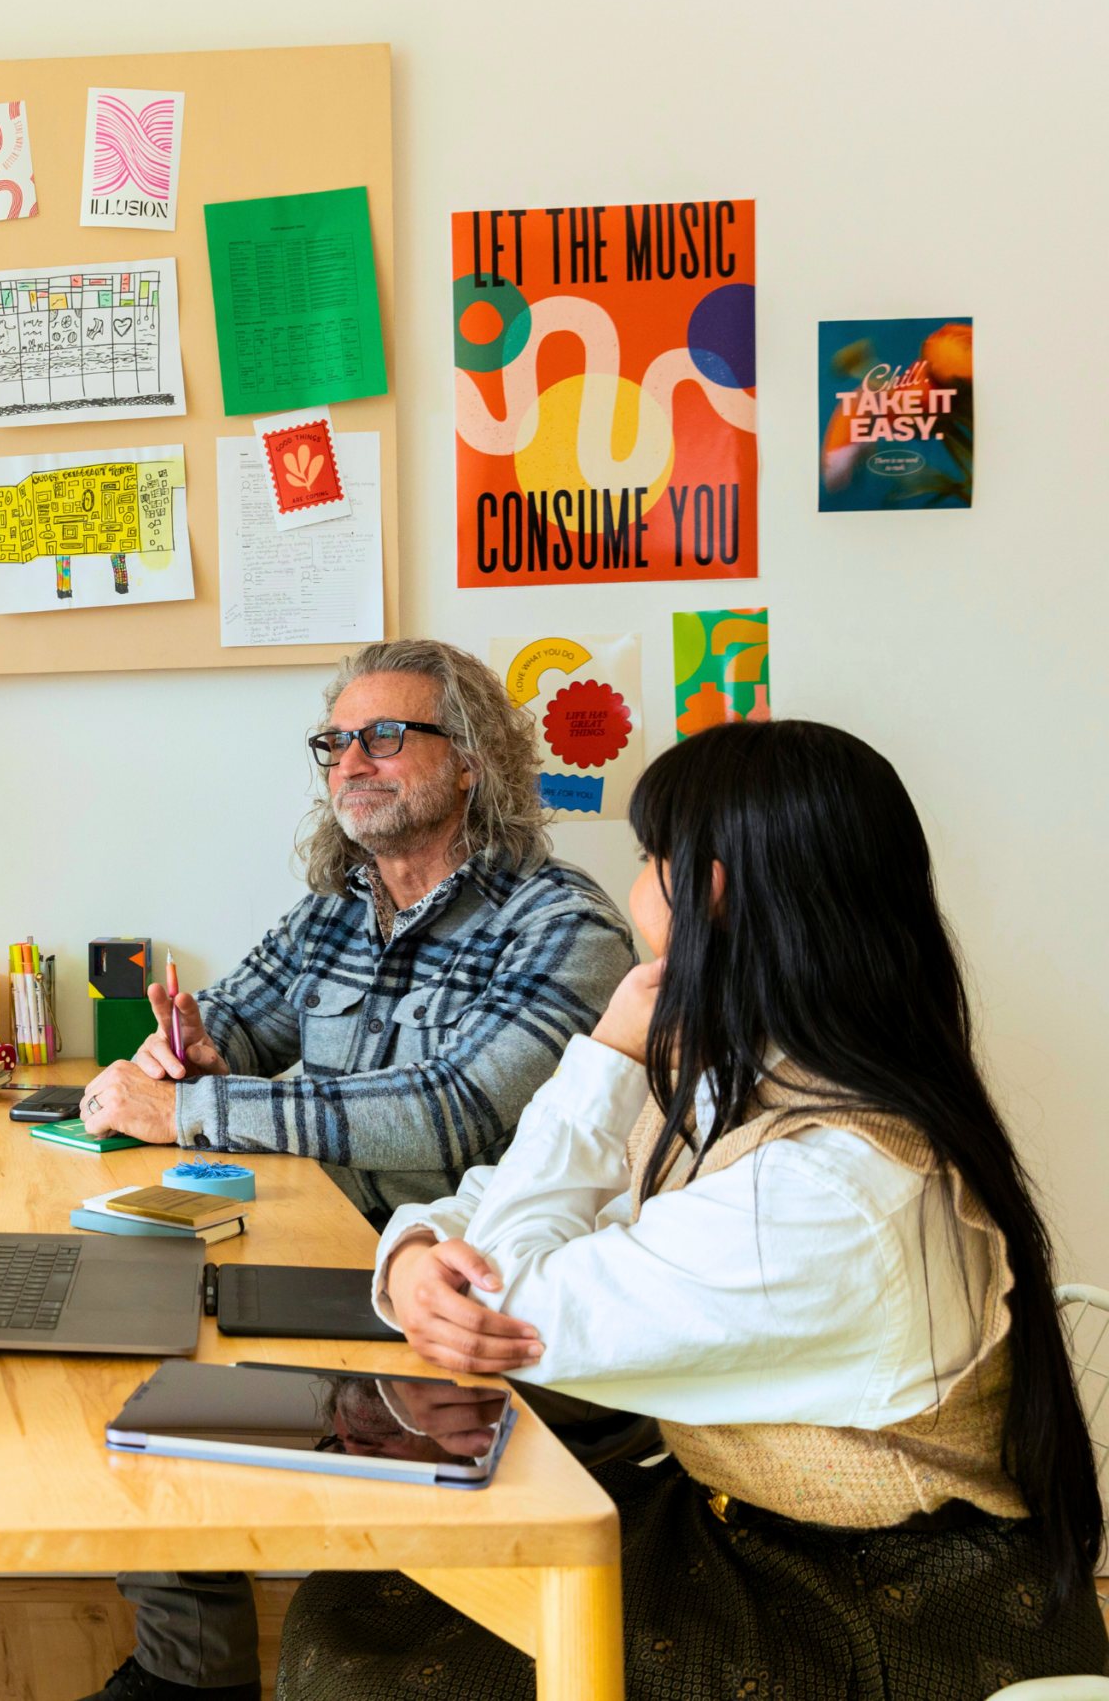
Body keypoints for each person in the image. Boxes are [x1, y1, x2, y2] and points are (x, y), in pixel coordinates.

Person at [280, 720, 1108, 1699]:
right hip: (742, 1513)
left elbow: (506, 1303)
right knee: (371, 1596)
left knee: (372, 1664)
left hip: (868, 1603)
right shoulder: (757, 1072)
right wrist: (417, 1254)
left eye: (646, 858)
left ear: (702, 891)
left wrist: (603, 1060)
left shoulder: (828, 1193)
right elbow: (512, 1201)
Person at [76, 640, 634, 1701]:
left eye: (386, 736)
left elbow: (450, 1110)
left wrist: (190, 1109)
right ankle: (190, 1674)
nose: (351, 762)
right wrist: (187, 1049)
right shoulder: (336, 904)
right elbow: (240, 1020)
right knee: (123, 1316)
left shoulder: (564, 925)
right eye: (335, 741)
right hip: (328, 1257)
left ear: (469, 761)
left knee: (157, 1360)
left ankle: (186, 1680)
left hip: (457, 1302)